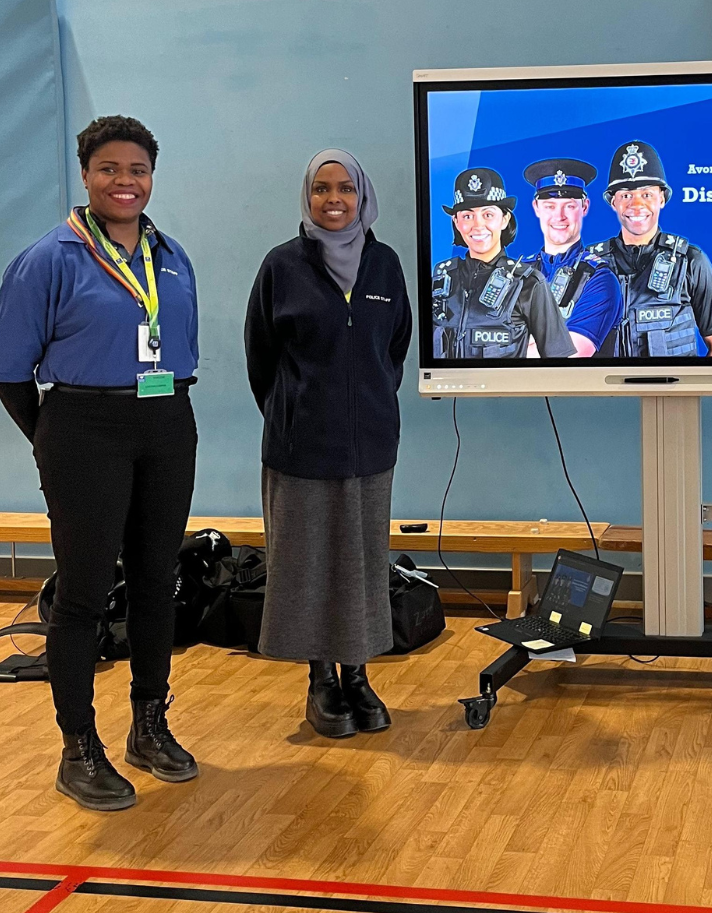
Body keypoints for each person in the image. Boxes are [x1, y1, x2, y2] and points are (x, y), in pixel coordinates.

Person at [0, 114, 201, 812]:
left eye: (136, 170)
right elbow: (11, 373)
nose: (124, 182)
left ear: (151, 178)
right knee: (82, 594)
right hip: (84, 424)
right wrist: (53, 438)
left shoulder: (171, 255)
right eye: (109, 169)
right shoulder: (50, 257)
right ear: (85, 175)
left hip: (167, 421)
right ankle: (78, 747)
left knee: (156, 579)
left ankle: (149, 724)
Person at [244, 149, 413, 739]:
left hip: (370, 449)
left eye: (345, 188)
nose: (333, 199)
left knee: (363, 566)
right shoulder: (281, 267)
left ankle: (359, 676)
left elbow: (394, 351)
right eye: (321, 188)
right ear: (307, 196)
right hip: (299, 451)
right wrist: (298, 413)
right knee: (307, 567)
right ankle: (320, 682)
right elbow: (261, 361)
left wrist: (365, 407)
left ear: (362, 196)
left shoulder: (386, 266)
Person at [588, 140, 712, 357]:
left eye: (647, 194)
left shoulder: (691, 261)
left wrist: (689, 390)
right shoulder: (589, 264)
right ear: (613, 202)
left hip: (674, 388)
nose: (636, 205)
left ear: (661, 199)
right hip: (606, 389)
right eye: (626, 195)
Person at [431, 166, 575, 359]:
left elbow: (559, 363)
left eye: (488, 214)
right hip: (448, 388)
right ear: (456, 222)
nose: (478, 225)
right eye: (467, 216)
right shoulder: (440, 279)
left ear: (505, 219)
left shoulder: (529, 283)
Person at [515, 157, 621, 356]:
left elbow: (568, 355)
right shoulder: (517, 273)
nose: (559, 216)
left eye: (569, 206)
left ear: (585, 207)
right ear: (536, 208)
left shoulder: (599, 280)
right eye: (550, 206)